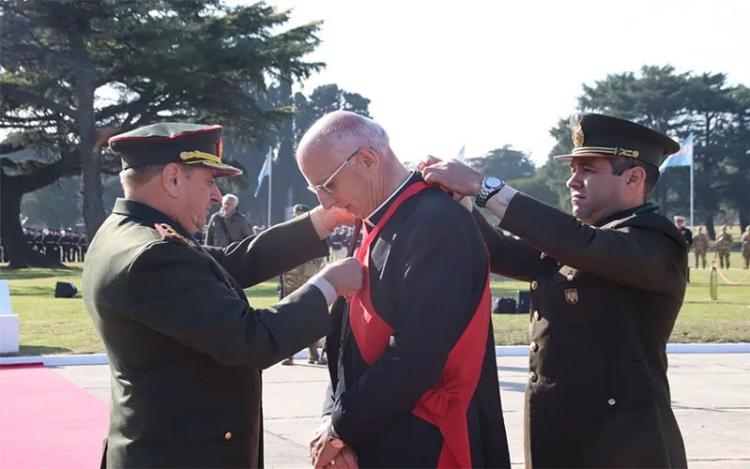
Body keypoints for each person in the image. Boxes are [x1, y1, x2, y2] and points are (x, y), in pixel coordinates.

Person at [83, 122, 363, 468]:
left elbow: (231, 263)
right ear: (172, 179)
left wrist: (323, 220)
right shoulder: (154, 255)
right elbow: (251, 340)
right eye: (209, 180)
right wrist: (328, 285)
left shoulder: (129, 235)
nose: (216, 195)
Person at [421, 113, 688, 468]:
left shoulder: (654, 242)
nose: (572, 182)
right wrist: (461, 203)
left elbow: (582, 246)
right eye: (573, 170)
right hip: (559, 438)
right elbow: (501, 253)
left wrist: (483, 187)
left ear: (634, 177)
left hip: (622, 448)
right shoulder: (580, 241)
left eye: (588, 171)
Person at [298, 111, 511, 469]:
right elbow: (345, 342)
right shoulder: (380, 218)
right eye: (315, 190)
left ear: (367, 160)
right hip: (376, 435)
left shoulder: (436, 221)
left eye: (328, 185)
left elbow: (415, 357)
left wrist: (340, 428)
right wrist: (332, 422)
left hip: (422, 444)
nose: (325, 203)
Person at [281, 204, 328, 366]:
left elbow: (322, 258)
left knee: (311, 316)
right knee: (289, 317)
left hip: (310, 280)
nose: (298, 218)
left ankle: (314, 353)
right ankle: (289, 355)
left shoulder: (317, 233)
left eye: (301, 215)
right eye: (296, 215)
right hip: (292, 283)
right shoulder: (286, 234)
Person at [674, 216, 692, 282]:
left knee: (686, 265)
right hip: (674, 251)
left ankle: (687, 278)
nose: (679, 223)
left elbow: (690, 241)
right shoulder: (672, 230)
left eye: (680, 222)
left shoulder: (687, 231)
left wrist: (687, 243)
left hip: (685, 251)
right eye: (677, 222)